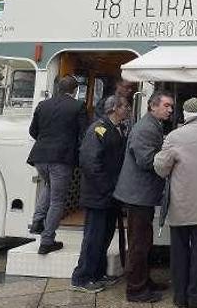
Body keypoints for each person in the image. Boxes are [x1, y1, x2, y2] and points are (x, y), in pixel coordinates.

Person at [154, 98, 197, 308]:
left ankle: (180, 297)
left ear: (185, 114)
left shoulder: (175, 136)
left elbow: (160, 168)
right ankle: (196, 298)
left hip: (181, 204)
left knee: (179, 253)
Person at [113, 91, 174, 303]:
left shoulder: (153, 125)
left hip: (141, 195)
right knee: (139, 244)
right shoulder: (146, 128)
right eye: (166, 106)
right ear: (152, 106)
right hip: (138, 195)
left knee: (144, 242)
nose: (170, 110)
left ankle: (144, 281)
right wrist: (169, 158)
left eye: (171, 107)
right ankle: (136, 290)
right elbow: (146, 160)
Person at [70, 95, 130, 293]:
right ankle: (82, 277)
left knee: (105, 236)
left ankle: (97, 273)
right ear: (114, 109)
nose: (128, 109)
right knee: (93, 237)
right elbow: (89, 162)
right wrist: (107, 188)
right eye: (125, 106)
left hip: (110, 195)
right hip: (98, 195)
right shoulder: (98, 129)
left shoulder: (118, 129)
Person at [27, 75, 87, 254]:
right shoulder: (78, 106)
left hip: (39, 157)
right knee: (58, 200)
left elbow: (33, 130)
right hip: (61, 159)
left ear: (59, 89)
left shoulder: (43, 105)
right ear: (75, 90)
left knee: (49, 185)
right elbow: (84, 134)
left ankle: (38, 220)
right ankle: (47, 240)